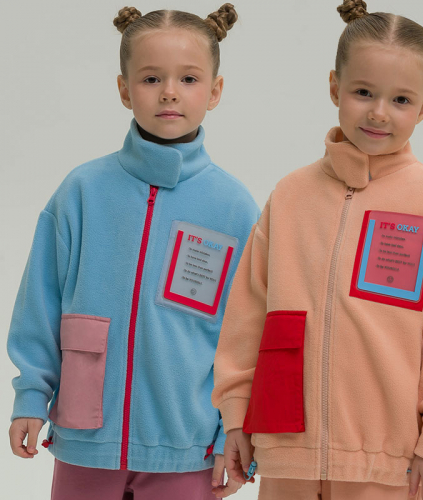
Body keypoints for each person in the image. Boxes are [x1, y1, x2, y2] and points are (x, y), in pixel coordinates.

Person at [211, 1, 423, 500]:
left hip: (389, 463)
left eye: (401, 99)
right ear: (334, 86)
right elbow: (247, 314)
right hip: (286, 452)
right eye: (363, 92)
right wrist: (236, 414)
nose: (379, 112)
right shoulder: (291, 196)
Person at [7, 4, 260, 499]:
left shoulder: (233, 207)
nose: (169, 92)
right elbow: (39, 301)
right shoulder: (82, 191)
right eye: (150, 78)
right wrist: (32, 395)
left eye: (189, 78)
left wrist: (231, 431)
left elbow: (246, 334)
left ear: (215, 91)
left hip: (186, 442)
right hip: (86, 439)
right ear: (124, 89)